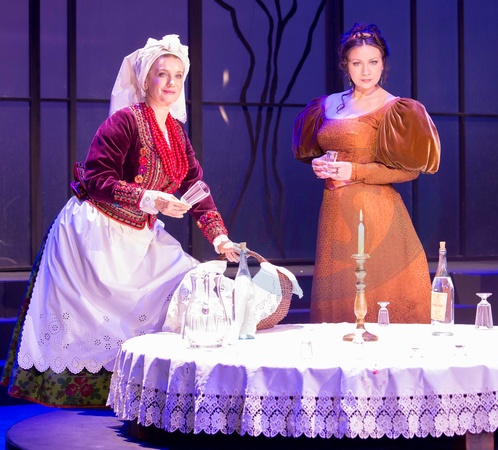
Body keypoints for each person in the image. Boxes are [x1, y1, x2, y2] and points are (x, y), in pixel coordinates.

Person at [1, 35, 239, 407]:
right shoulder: (124, 121)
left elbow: (195, 186)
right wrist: (149, 198)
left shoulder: (176, 133)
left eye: (178, 75)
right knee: (90, 322)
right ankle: (92, 392)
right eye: (163, 74)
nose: (171, 83)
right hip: (95, 234)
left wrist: (220, 238)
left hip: (138, 235)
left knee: (186, 280)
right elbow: (97, 179)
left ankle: (148, 386)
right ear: (145, 80)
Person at [292, 23, 440, 324]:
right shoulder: (326, 105)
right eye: (357, 63)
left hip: (377, 215)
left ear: (383, 64)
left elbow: (409, 172)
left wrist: (354, 170)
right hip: (335, 215)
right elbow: (320, 150)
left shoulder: (396, 109)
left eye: (373, 62)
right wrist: (320, 163)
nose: (366, 71)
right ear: (345, 65)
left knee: (377, 305)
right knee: (338, 308)